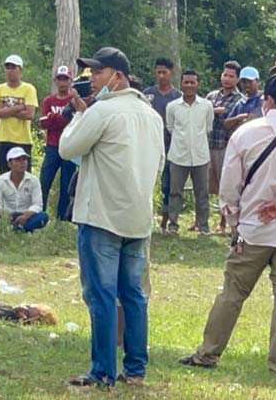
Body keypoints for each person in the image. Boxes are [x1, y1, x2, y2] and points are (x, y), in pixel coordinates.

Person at [179, 73, 276, 374]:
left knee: (233, 292)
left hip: (254, 226)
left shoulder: (246, 133)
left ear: (267, 100)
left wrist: (235, 222)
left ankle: (208, 354)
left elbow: (229, 186)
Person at [60, 47, 164, 386]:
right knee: (133, 294)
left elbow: (67, 148)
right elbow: (159, 165)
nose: (92, 79)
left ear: (117, 76)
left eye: (98, 73)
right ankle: (135, 369)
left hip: (101, 215)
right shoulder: (152, 115)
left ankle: (102, 370)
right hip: (138, 216)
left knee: (102, 294)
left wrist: (79, 115)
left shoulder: (102, 110)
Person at [165, 70, 214, 234]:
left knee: (202, 193)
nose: (189, 85)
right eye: (186, 82)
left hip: (200, 156)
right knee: (175, 192)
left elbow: (208, 128)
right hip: (178, 155)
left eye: (192, 82)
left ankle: (203, 226)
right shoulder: (172, 107)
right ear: (181, 84)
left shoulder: (206, 106)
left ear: (198, 84)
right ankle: (173, 225)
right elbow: (170, 128)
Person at [143, 58, 182, 231]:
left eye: (164, 72)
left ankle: (166, 219)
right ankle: (145, 215)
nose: (161, 76)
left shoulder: (178, 97)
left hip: (170, 146)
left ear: (172, 73)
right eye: (158, 72)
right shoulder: (148, 94)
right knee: (145, 182)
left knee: (168, 185)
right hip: (149, 144)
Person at [206, 61, 244, 234]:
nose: (227, 79)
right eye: (225, 75)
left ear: (237, 79)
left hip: (226, 147)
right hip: (208, 144)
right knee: (207, 185)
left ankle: (223, 223)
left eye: (231, 76)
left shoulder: (239, 100)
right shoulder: (211, 96)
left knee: (225, 186)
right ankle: (201, 221)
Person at [38, 65, 77, 220]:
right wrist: (61, 118)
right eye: (60, 79)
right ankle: (39, 213)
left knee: (66, 184)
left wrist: (53, 118)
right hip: (52, 146)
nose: (62, 82)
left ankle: (62, 218)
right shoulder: (49, 101)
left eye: (65, 79)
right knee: (44, 181)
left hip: (70, 146)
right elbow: (43, 123)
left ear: (70, 81)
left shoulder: (74, 101)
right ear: (55, 81)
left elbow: (72, 121)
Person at [0, 54, 38, 174]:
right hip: (2, 138)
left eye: (13, 67)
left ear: (20, 69)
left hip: (23, 139)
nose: (10, 70)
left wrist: (5, 110)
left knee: (24, 175)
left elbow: (29, 114)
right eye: (8, 67)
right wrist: (19, 107)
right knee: (4, 175)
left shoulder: (29, 89)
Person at [0, 147, 49, 233]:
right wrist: (2, 214)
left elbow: (38, 204)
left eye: (24, 159)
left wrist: (26, 216)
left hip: (27, 214)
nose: (22, 163)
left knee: (43, 217)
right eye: (17, 160)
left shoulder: (34, 180)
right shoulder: (1, 180)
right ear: (9, 164)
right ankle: (18, 228)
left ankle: (18, 229)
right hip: (8, 215)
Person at [224, 66, 263, 131]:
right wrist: (237, 118)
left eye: (249, 81)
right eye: (244, 82)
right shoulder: (241, 102)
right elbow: (226, 124)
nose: (247, 85)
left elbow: (253, 120)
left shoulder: (263, 99)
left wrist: (237, 124)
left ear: (257, 81)